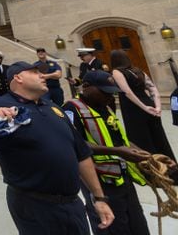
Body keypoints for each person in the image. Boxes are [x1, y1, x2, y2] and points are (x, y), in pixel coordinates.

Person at [0, 61, 114, 234]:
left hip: (72, 204)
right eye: (35, 72)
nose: (42, 75)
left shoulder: (54, 108)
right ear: (18, 77)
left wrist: (99, 198)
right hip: (34, 206)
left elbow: (81, 154)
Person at [63, 71, 152, 235]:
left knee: (137, 222)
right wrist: (116, 151)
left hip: (121, 176)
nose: (109, 97)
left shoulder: (106, 107)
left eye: (111, 93)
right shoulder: (71, 109)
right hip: (99, 180)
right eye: (104, 92)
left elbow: (120, 139)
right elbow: (73, 143)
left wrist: (145, 155)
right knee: (113, 226)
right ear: (86, 87)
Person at [109, 49, 176, 160]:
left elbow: (127, 92)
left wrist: (144, 107)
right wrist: (157, 106)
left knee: (141, 140)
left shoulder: (116, 72)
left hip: (134, 108)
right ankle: (168, 166)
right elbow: (153, 88)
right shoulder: (138, 70)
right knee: (159, 139)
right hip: (149, 104)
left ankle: (152, 168)